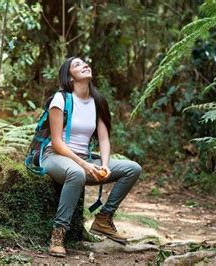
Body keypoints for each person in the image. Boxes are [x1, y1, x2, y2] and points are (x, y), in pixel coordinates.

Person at [41, 57, 142, 257]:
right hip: (55, 156)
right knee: (77, 173)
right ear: (69, 76)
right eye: (77, 65)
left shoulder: (97, 102)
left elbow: (103, 140)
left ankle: (104, 218)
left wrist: (105, 165)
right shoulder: (61, 99)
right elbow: (56, 142)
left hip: (84, 159)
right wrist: (84, 166)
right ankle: (58, 235)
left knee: (133, 168)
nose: (85, 65)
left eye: (85, 63)